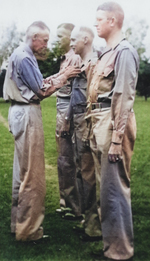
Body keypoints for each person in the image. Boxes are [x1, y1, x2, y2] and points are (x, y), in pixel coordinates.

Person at [3, 21, 81, 241]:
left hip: (20, 112)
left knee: (22, 173)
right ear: (34, 37)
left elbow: (40, 82)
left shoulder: (21, 54)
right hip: (27, 114)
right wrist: (65, 76)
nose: (46, 45)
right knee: (33, 176)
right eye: (44, 40)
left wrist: (63, 72)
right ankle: (29, 231)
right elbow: (42, 90)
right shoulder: (26, 57)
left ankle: (18, 225)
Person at [85, 2, 139, 260]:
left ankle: (120, 252)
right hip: (99, 118)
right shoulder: (106, 52)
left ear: (113, 21)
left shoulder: (124, 52)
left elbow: (124, 97)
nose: (95, 24)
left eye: (99, 19)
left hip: (113, 120)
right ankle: (112, 247)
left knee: (114, 190)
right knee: (105, 190)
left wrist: (117, 138)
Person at [63, 26, 102, 240]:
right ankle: (86, 221)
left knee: (88, 174)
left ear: (86, 39)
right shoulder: (80, 64)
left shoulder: (94, 64)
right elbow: (74, 97)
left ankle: (94, 227)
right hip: (77, 121)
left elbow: (93, 99)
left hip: (87, 121)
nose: (70, 43)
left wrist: (87, 125)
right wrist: (67, 120)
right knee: (80, 170)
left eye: (74, 39)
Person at [55, 23, 82, 219]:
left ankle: (75, 207)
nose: (57, 39)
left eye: (60, 36)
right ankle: (66, 201)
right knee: (63, 159)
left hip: (68, 110)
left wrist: (66, 118)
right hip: (60, 106)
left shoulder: (75, 59)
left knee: (69, 159)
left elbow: (76, 92)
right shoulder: (64, 59)